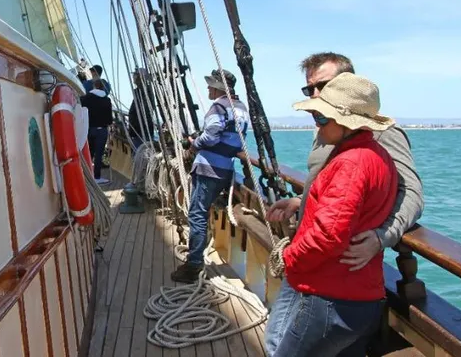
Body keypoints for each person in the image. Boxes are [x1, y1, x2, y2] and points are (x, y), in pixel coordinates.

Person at [264, 72, 397, 356]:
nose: (317, 124)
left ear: (349, 124)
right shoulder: (376, 156)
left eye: (322, 118)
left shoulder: (351, 163)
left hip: (331, 299)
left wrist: (289, 256)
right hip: (360, 295)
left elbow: (328, 234)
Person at [267, 52, 424, 269]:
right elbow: (336, 183)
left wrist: (382, 236)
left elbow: (411, 193)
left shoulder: (379, 132)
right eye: (309, 89)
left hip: (339, 261)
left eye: (324, 85)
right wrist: (302, 200)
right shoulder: (324, 128)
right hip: (313, 251)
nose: (315, 94)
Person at [171, 69, 249, 283]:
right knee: (203, 212)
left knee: (197, 214)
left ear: (218, 88)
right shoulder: (241, 108)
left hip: (208, 168)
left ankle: (193, 265)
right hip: (225, 169)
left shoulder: (218, 106)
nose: (208, 89)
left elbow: (212, 135)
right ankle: (197, 254)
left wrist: (194, 144)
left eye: (210, 85)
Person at [80, 79, 112, 184]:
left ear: (94, 86)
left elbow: (82, 112)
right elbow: (109, 119)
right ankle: (97, 177)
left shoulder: (86, 98)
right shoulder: (107, 100)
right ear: (103, 87)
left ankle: (86, 176)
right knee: (99, 154)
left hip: (89, 129)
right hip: (102, 130)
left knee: (89, 153)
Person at [128, 69, 156, 149]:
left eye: (135, 75)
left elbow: (145, 112)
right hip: (139, 130)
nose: (133, 77)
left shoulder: (145, 92)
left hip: (141, 131)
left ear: (140, 78)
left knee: (141, 153)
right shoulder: (140, 91)